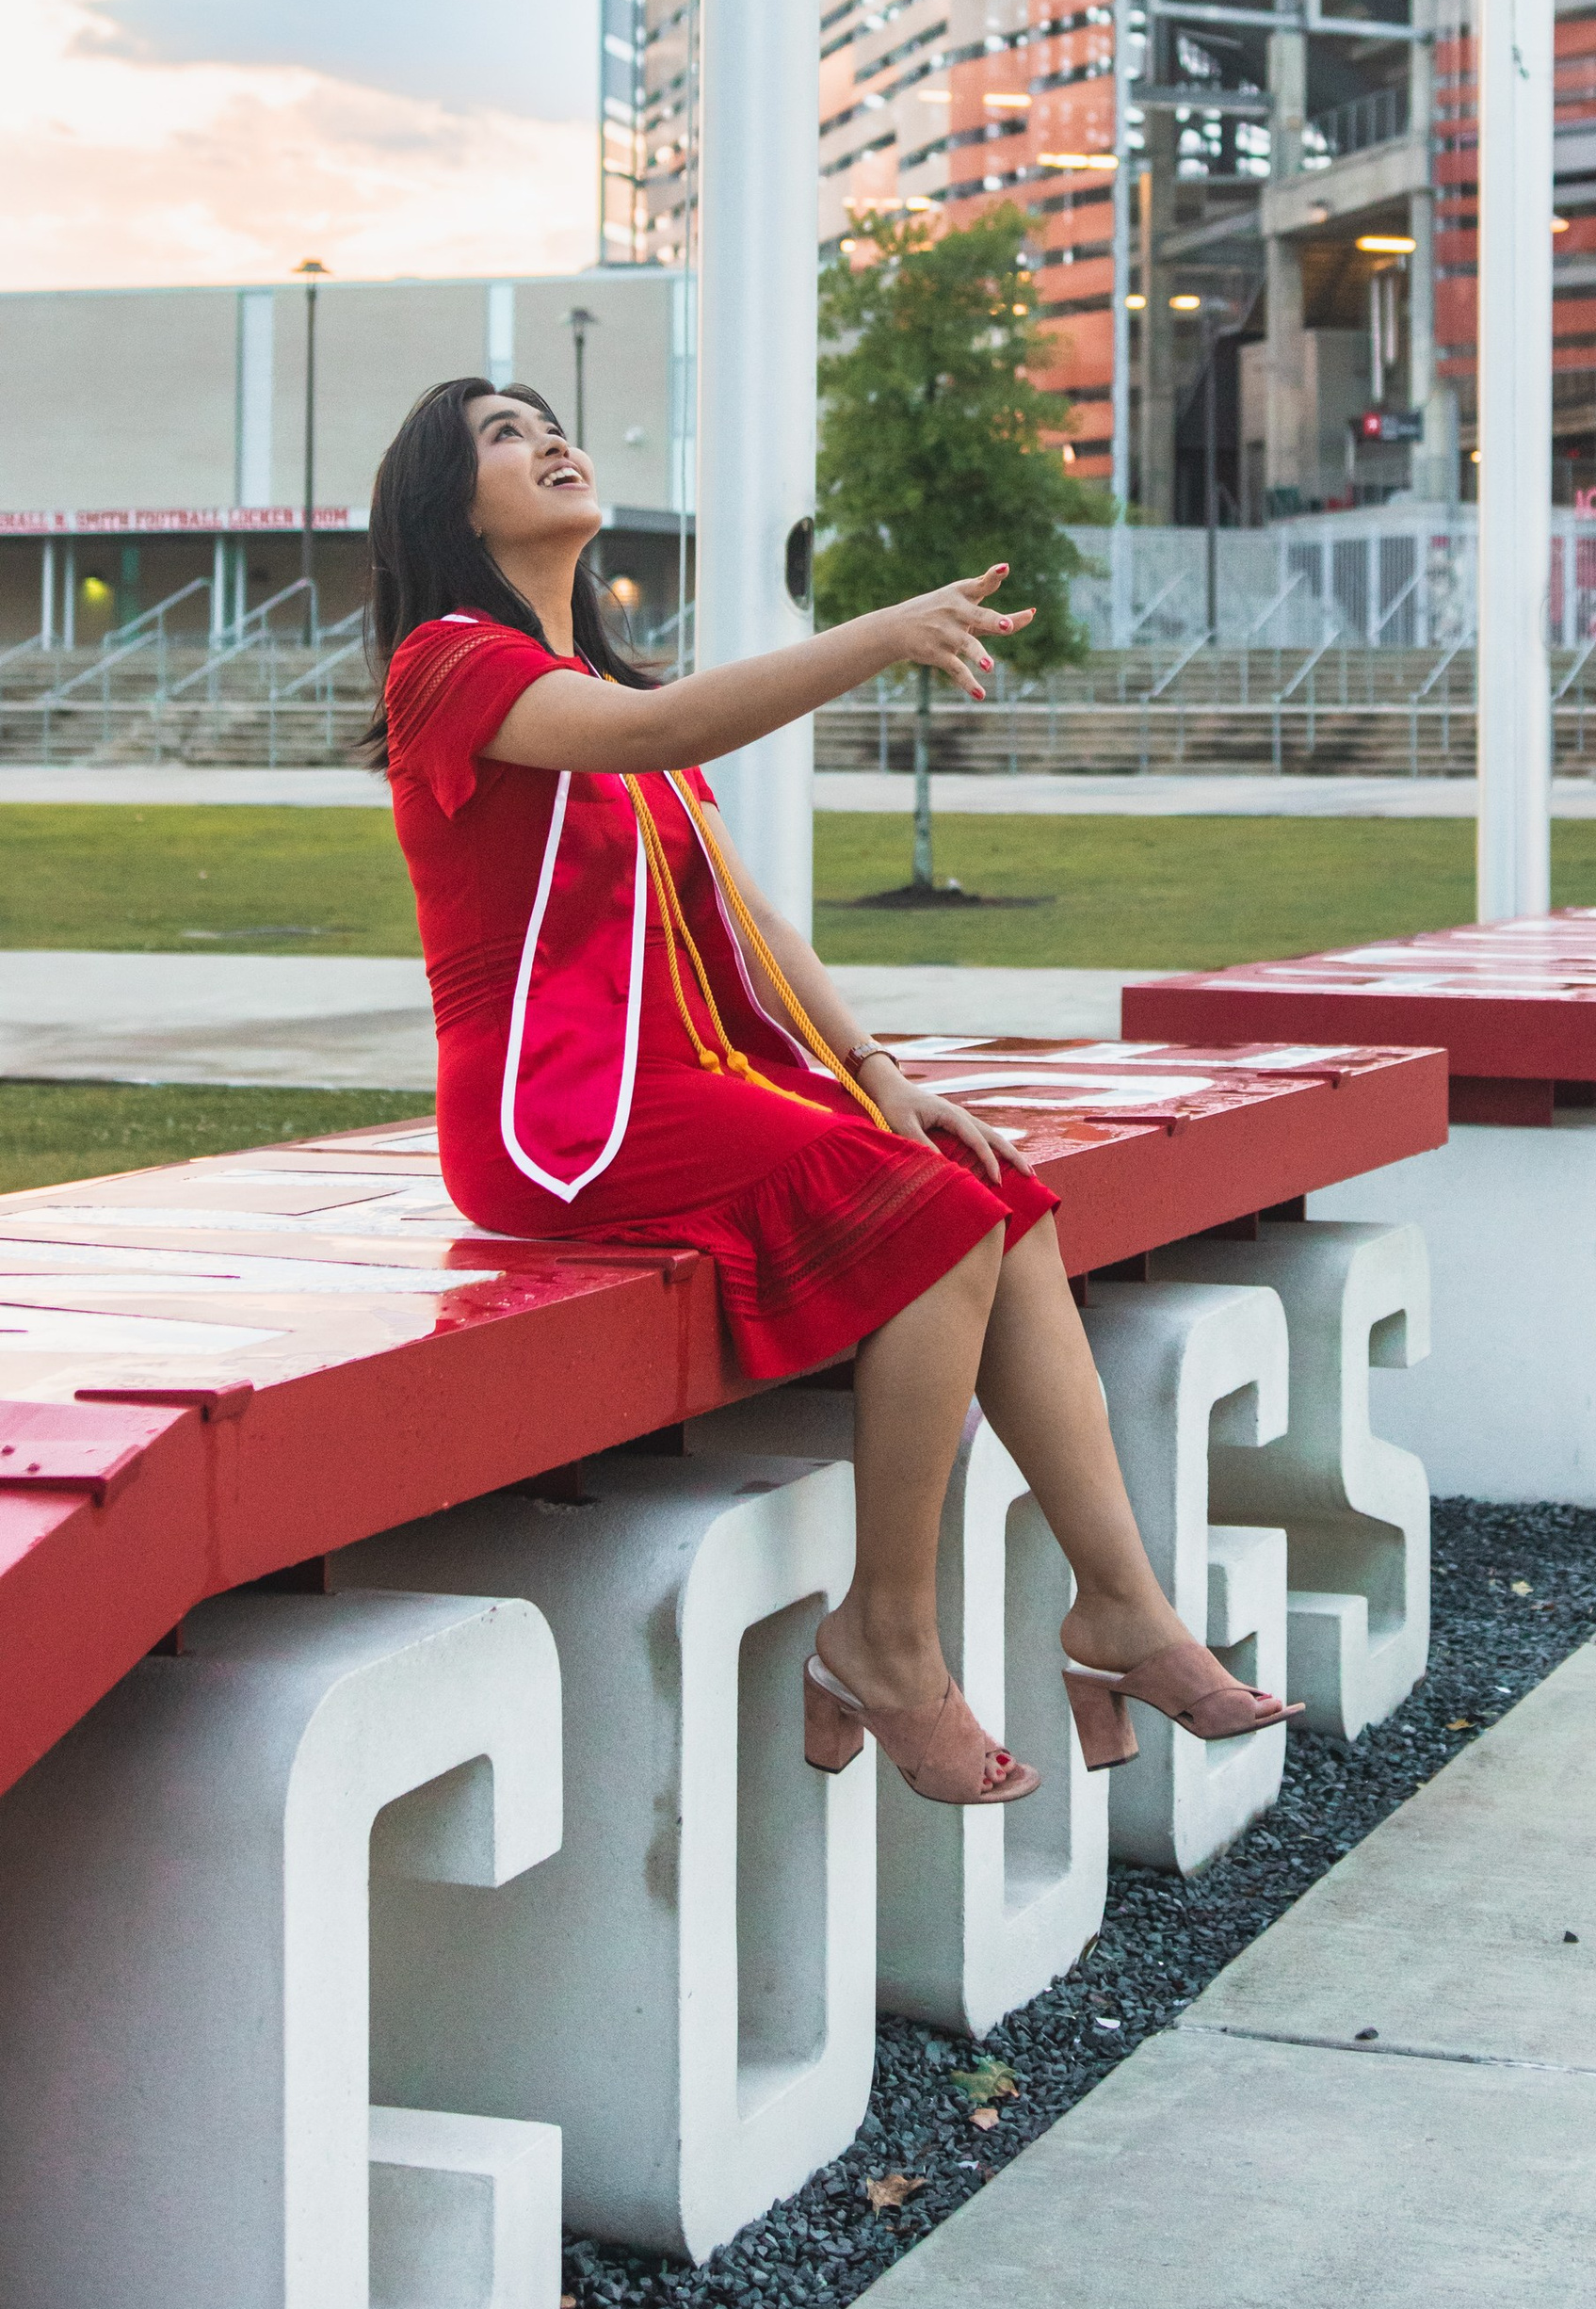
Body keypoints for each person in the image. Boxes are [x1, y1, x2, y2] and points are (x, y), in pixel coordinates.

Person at [364, 373, 1296, 1807]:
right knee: (932, 1227)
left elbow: (745, 914)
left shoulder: (595, 688)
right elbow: (657, 737)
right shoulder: (447, 663)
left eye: (554, 417)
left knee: (996, 1190)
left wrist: (879, 1074)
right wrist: (881, 633)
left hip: (684, 1083)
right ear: (446, 505)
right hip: (557, 1118)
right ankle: (886, 1637)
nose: (550, 437)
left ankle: (1120, 1611)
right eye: (504, 435)